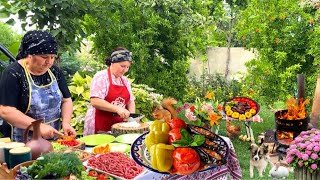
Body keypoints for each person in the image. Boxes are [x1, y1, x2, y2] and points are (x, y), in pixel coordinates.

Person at [0, 30, 76, 142]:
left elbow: (66, 100)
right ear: (30, 55)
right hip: (23, 141)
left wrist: (65, 122)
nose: (49, 62)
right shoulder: (13, 73)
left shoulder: (54, 71)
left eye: (52, 57)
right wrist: (38, 126)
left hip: (53, 137)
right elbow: (6, 111)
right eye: (45, 57)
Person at [84, 47, 136, 135]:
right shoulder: (101, 77)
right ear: (112, 63)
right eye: (122, 66)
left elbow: (131, 101)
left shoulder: (125, 81)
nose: (125, 70)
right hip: (100, 124)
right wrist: (117, 109)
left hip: (118, 126)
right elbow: (95, 101)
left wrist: (131, 118)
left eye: (127, 67)